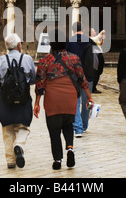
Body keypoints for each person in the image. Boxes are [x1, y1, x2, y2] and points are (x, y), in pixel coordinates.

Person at [34, 29, 93, 170]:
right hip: (70, 97)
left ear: (51, 43)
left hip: (53, 99)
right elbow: (82, 79)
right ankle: (70, 149)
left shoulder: (44, 61)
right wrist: (89, 97)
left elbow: (40, 84)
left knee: (54, 130)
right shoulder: (74, 58)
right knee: (68, 124)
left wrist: (36, 103)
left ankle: (57, 160)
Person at [0, 33, 36, 169]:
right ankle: (19, 144)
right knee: (23, 126)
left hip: (5, 100)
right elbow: (33, 78)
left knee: (7, 129)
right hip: (23, 99)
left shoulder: (1, 60)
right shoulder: (27, 59)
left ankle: (10, 161)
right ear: (19, 45)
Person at [66, 21, 96, 137]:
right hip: (88, 76)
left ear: (73, 30)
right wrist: (95, 74)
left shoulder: (69, 42)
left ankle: (78, 127)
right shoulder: (91, 41)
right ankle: (84, 125)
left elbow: (65, 58)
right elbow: (99, 59)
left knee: (75, 101)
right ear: (82, 30)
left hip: (74, 77)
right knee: (87, 100)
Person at [90, 28, 105, 94]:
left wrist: (102, 39)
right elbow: (98, 36)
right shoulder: (91, 39)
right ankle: (93, 87)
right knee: (96, 72)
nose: (95, 32)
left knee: (99, 71)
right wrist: (102, 32)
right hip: (96, 56)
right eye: (94, 31)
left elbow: (100, 43)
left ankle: (94, 87)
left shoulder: (95, 39)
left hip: (99, 54)